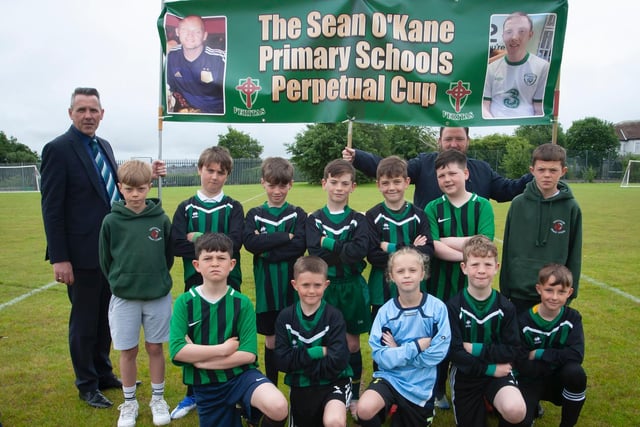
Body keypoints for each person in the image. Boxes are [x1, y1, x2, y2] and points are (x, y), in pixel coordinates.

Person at [40, 87, 166, 408]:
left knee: (105, 320)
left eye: (93, 110)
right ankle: (87, 384)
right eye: (81, 110)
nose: (88, 116)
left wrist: (148, 175)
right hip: (80, 256)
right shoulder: (58, 149)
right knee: (83, 322)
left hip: (113, 253)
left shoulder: (105, 146)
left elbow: (117, 189)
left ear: (102, 113)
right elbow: (52, 208)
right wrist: (60, 258)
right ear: (71, 113)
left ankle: (105, 373)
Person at [169, 233, 288, 427]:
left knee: (278, 406)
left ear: (231, 264)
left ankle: (250, 412)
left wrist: (200, 362)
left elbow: (248, 355)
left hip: (241, 376)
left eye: (221, 258)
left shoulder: (242, 303)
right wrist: (222, 349)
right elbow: (178, 351)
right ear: (197, 265)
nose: (215, 263)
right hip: (206, 385)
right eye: (208, 258)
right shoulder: (185, 302)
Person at [170, 145, 244, 419]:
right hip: (195, 284)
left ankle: (232, 388)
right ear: (199, 170)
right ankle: (192, 394)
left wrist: (197, 237)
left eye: (220, 172)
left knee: (229, 335)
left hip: (229, 283)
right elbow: (177, 243)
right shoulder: (186, 206)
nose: (214, 176)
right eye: (209, 170)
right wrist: (215, 239)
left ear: (227, 176)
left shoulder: (233, 207)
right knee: (195, 337)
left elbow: (235, 243)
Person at [98, 160, 173, 427]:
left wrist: (154, 279)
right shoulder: (111, 221)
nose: (135, 195)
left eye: (141, 189)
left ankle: (158, 398)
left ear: (149, 186)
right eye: (129, 189)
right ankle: (129, 402)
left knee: (155, 347)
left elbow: (167, 257)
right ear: (120, 188)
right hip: (124, 297)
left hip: (157, 295)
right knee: (127, 350)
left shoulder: (161, 219)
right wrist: (122, 281)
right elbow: (106, 261)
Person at [424, 150, 495, 409]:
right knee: (440, 338)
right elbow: (434, 246)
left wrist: (447, 241)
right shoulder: (432, 207)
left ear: (465, 173)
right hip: (440, 287)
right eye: (441, 175)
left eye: (452, 173)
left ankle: (479, 390)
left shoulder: (482, 205)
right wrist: (469, 249)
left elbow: (485, 243)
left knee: (475, 337)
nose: (447, 179)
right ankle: (438, 389)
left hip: (475, 288)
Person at [305, 159, 372, 419]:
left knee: (352, 344)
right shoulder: (314, 219)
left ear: (353, 187)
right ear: (324, 184)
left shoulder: (357, 219)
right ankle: (327, 390)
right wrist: (343, 248)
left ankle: (354, 394)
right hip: (325, 287)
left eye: (345, 183)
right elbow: (315, 252)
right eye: (333, 182)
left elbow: (358, 253)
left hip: (352, 287)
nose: (339, 188)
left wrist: (328, 242)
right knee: (322, 340)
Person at [356, 247, 451, 427]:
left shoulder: (437, 309)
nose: (407, 275)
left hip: (421, 383)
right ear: (391, 276)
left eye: (413, 270)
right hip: (390, 377)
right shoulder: (385, 313)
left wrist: (397, 351)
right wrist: (415, 347)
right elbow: (380, 356)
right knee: (365, 408)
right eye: (400, 271)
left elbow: (438, 353)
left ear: (422, 273)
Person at [342, 126, 532, 209]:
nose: (454, 144)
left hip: (468, 254)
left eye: (459, 139)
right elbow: (393, 171)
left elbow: (508, 190)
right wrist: (358, 157)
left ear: (468, 141)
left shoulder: (482, 169)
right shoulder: (424, 163)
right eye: (448, 139)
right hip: (430, 247)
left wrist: (537, 175)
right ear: (439, 141)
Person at [447, 236, 527, 427]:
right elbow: (454, 352)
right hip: (466, 374)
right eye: (475, 264)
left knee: (515, 410)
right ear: (464, 267)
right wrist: (488, 368)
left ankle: (494, 401)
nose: (481, 270)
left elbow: (512, 349)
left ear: (497, 267)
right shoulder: (452, 307)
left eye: (487, 264)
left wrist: (474, 348)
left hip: (500, 371)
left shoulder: (506, 307)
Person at [243, 157, 307, 386]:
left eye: (282, 185)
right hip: (266, 290)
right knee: (270, 340)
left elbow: (299, 245)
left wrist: (266, 248)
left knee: (296, 337)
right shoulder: (254, 214)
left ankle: (298, 384)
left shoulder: (298, 214)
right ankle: (270, 385)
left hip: (292, 289)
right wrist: (283, 238)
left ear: (290, 184)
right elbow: (250, 243)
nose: (277, 191)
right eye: (272, 185)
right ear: (263, 183)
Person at [500, 143, 582, 314]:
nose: (546, 175)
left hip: (553, 292)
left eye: (553, 170)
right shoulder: (518, 204)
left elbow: (575, 253)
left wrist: (569, 292)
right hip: (519, 292)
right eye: (541, 169)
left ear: (563, 171)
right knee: (518, 340)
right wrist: (505, 289)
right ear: (532, 170)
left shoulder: (571, 207)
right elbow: (508, 249)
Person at [274, 256, 353, 427]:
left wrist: (299, 363)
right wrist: (316, 352)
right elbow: (281, 361)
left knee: (334, 422)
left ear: (326, 285)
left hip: (334, 382)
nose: (311, 291)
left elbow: (338, 360)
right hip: (300, 387)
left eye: (317, 285)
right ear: (295, 285)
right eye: (305, 285)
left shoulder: (334, 316)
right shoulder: (285, 317)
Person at [516, 264, 586, 427]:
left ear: (569, 293)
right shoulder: (523, 321)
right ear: (539, 289)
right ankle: (530, 409)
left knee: (576, 373)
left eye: (561, 292)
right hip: (530, 380)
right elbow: (520, 360)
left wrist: (540, 353)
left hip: (558, 379)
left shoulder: (573, 318)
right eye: (549, 290)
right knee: (517, 420)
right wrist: (555, 360)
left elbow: (576, 354)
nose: (554, 297)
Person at [365, 155, 434, 319]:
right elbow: (373, 256)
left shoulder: (419, 215)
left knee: (415, 338)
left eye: (396, 181)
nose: (392, 187)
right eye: (385, 183)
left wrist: (390, 247)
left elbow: (428, 251)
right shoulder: (372, 215)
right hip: (381, 291)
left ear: (407, 182)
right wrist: (412, 247)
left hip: (415, 290)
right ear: (378, 185)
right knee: (383, 340)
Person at [482, 12, 550, 118]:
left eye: (521, 31)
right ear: (503, 36)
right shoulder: (491, 69)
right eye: (509, 32)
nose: (514, 37)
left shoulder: (542, 67)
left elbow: (539, 108)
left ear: (530, 34)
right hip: (495, 124)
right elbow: (484, 106)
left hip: (525, 128)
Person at [166, 15, 226, 114]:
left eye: (196, 31)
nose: (190, 35)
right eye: (185, 30)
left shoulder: (219, 59)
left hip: (218, 118)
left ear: (204, 36)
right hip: (187, 117)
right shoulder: (170, 56)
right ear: (177, 32)